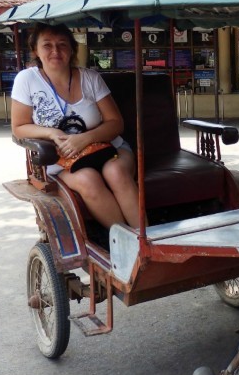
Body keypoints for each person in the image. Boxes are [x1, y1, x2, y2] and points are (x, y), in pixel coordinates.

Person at [10, 23, 141, 228]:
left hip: (107, 148)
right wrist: (51, 132)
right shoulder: (26, 79)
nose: (56, 51)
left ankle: (146, 238)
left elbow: (116, 123)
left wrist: (85, 139)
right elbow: (18, 127)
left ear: (72, 49)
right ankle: (125, 242)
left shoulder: (90, 78)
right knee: (88, 180)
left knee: (115, 173)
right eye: (47, 45)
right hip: (61, 158)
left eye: (62, 44)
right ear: (35, 50)